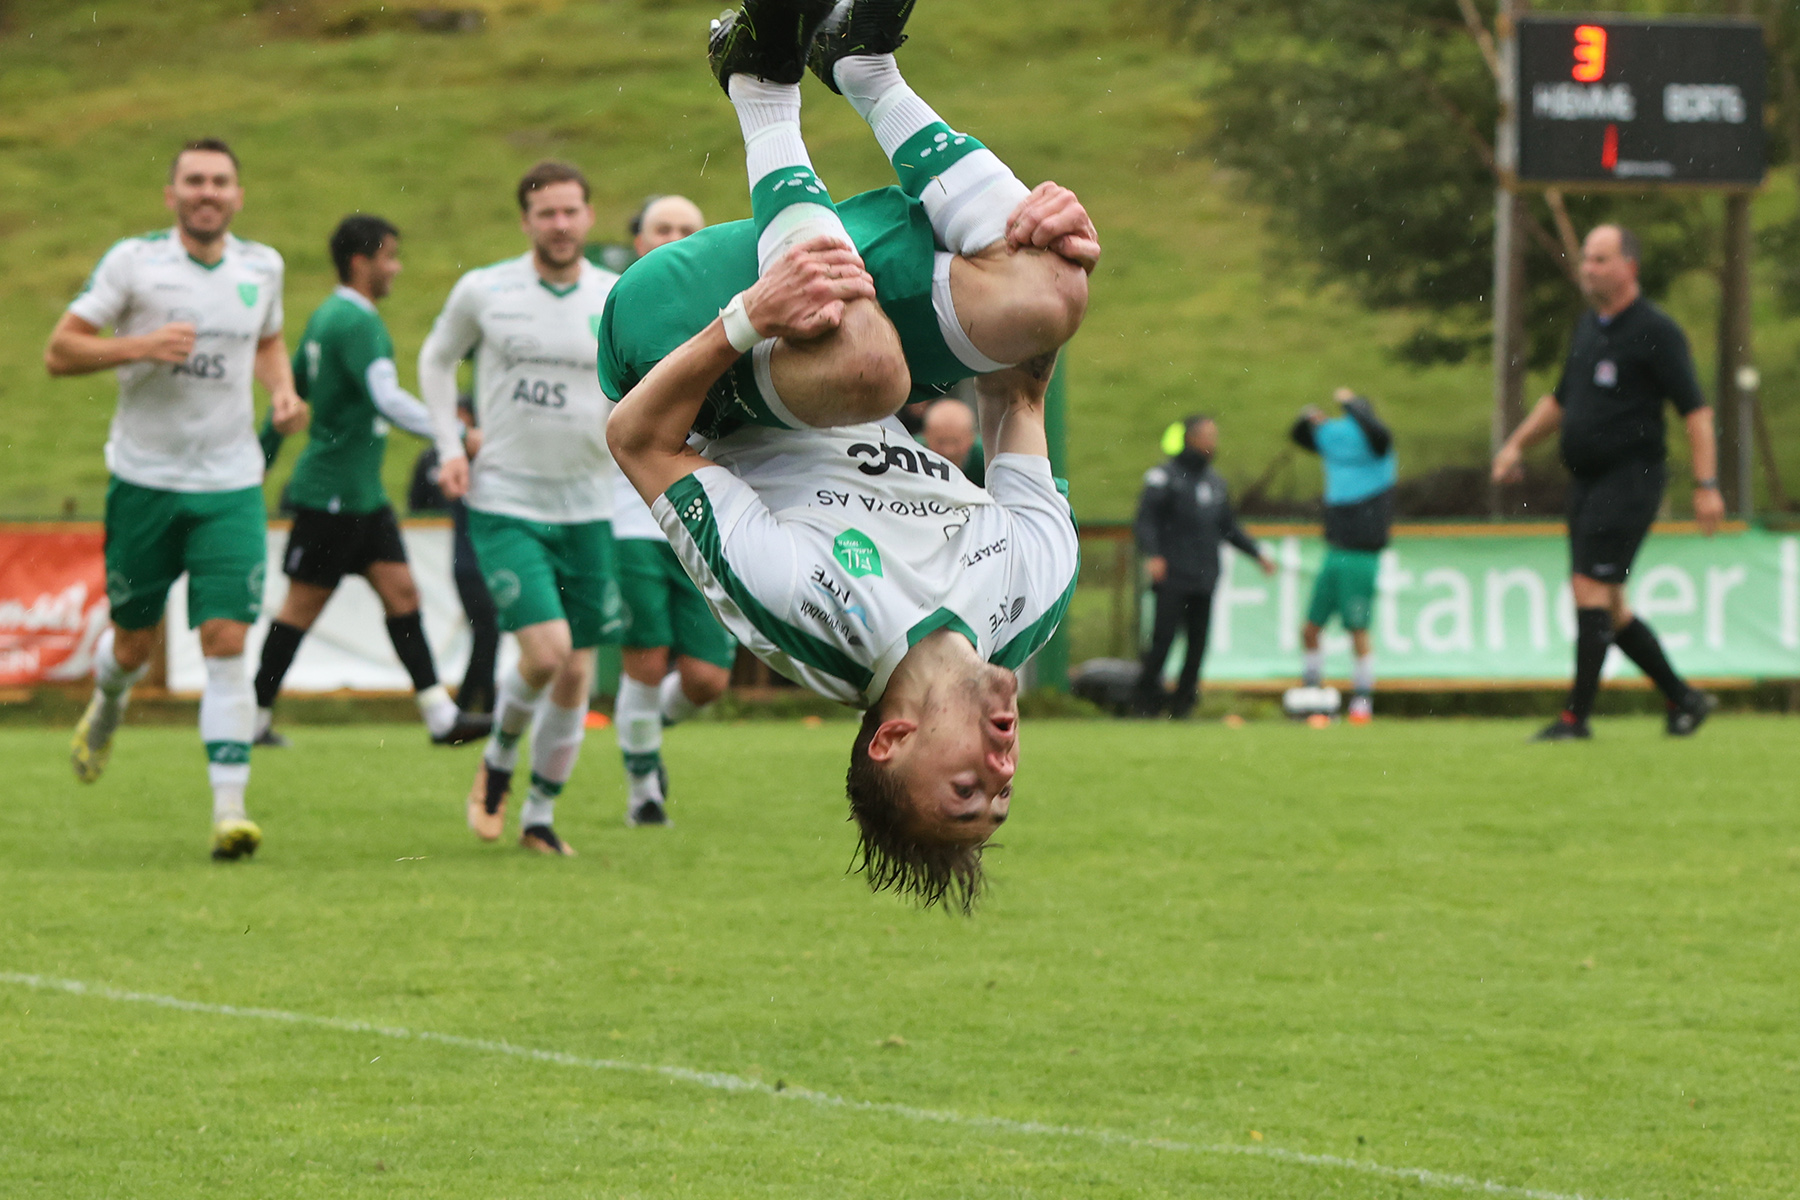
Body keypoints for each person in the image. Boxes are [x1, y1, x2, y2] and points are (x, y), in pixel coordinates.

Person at [602, 0, 1097, 911]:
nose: (1002, 765)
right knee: (1051, 293)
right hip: (843, 289)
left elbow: (637, 437)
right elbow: (1022, 390)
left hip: (681, 330)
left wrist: (749, 316)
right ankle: (864, 67)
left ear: (891, 740)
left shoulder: (809, 615)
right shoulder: (1032, 594)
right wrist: (1046, 239)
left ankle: (762, 84)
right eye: (1004, 793)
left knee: (871, 372)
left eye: (965, 792)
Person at [46, 138, 305, 861]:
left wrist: (280, 390)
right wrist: (138, 346)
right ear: (171, 195)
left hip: (229, 485)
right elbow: (59, 351)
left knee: (225, 643)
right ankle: (110, 701)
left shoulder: (263, 266)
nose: (207, 193)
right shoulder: (133, 263)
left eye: (220, 181)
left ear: (238, 196)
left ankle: (230, 812)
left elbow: (270, 339)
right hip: (145, 482)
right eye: (194, 181)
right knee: (133, 643)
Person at [423, 161, 624, 856]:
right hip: (506, 498)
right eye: (547, 214)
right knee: (548, 651)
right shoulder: (486, 291)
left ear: (588, 218)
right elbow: (435, 358)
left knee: (576, 672)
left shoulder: (617, 294)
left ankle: (538, 817)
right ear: (526, 222)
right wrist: (449, 444)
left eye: (571, 212)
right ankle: (499, 761)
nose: (560, 225)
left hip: (591, 504)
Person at [252, 215, 491, 750]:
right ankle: (252, 719)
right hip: (333, 497)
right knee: (300, 610)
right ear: (361, 262)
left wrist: (261, 457)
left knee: (402, 593)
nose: (396, 268)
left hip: (362, 495)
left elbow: (290, 395)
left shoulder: (325, 317)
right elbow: (387, 399)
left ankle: (440, 718)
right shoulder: (358, 323)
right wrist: (454, 431)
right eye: (390, 257)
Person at [1492, 224, 1721, 741]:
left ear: (1629, 267)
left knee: (1590, 588)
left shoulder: (1657, 331)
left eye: (1599, 260)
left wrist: (1706, 484)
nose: (1587, 269)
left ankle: (1576, 718)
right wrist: (1516, 444)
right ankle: (1684, 699)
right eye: (1586, 260)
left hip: (1630, 479)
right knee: (1612, 606)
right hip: (1587, 482)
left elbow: (1697, 413)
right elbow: (1560, 401)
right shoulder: (1589, 327)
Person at [608, 196, 738, 828]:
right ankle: (643, 796)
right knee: (647, 657)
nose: (677, 238)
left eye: (690, 229)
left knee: (708, 679)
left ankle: (641, 734)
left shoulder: (723, 313)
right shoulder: (611, 310)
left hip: (704, 513)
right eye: (664, 228)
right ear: (638, 241)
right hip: (632, 517)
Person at [1133, 414, 1274, 718]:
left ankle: (1183, 706)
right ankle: (1145, 704)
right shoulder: (1164, 476)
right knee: (1163, 640)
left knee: (1197, 644)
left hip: (1204, 575)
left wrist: (1256, 553)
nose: (1213, 443)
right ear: (1191, 438)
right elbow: (1146, 520)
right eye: (1208, 436)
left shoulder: (1215, 482)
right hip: (1172, 574)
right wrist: (1154, 554)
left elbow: (1229, 528)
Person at [1290, 388, 1397, 723]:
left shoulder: (1379, 449)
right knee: (1310, 629)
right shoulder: (1338, 447)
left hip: (1363, 555)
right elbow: (1299, 436)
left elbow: (1378, 432)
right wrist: (1309, 417)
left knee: (1357, 629)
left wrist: (1350, 403)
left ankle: (1362, 700)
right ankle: (1312, 690)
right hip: (1334, 551)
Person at [407, 396, 500, 716]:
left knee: (488, 634)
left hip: (481, 561)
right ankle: (473, 705)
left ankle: (480, 705)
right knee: (487, 633)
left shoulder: (481, 460)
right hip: (470, 564)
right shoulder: (458, 462)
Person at [921, 397, 983, 487]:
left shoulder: (987, 459)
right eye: (941, 442)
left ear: (971, 437)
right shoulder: (910, 452)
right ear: (926, 436)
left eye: (955, 442)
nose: (948, 451)